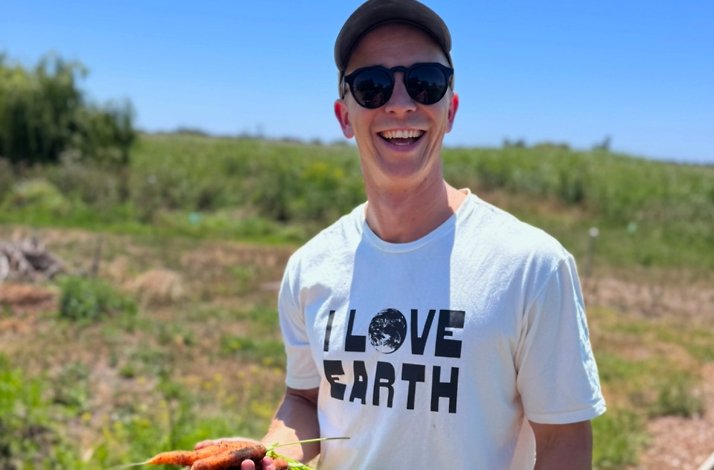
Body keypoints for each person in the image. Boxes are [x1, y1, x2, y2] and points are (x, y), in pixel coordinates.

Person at [199, 1, 606, 468]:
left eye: (424, 82)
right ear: (343, 117)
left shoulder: (530, 265)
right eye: (371, 86)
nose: (400, 103)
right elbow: (305, 400)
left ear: (449, 110)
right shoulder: (311, 267)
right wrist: (273, 452)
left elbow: (564, 441)